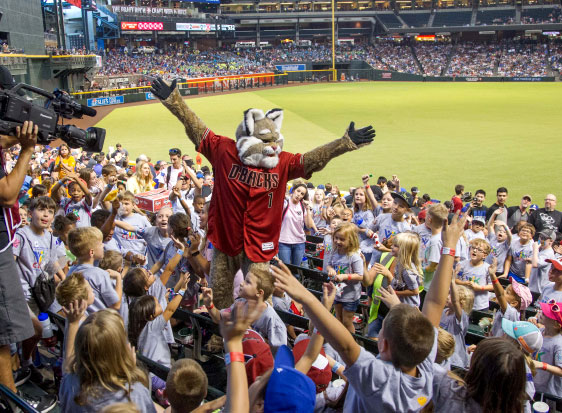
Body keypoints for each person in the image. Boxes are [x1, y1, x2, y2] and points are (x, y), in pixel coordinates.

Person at [271, 210, 469, 412]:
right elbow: (435, 303)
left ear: (383, 345)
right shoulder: (424, 365)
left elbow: (346, 346)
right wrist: (449, 248)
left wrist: (303, 295)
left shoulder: (379, 379)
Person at [59, 308, 157, 412]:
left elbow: (68, 365)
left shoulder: (70, 383)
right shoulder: (135, 393)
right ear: (122, 350)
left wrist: (73, 323)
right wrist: (130, 372)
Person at [128, 273, 189, 398]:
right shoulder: (152, 327)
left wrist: (166, 298)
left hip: (148, 374)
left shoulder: (136, 324)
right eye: (157, 304)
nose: (160, 303)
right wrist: (182, 290)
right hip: (159, 376)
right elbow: (170, 310)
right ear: (151, 316)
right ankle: (164, 396)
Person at [203, 267, 287, 350]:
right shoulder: (240, 304)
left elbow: (279, 353)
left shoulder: (272, 319)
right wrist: (210, 305)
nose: (241, 284)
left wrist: (252, 334)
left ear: (259, 292)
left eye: (247, 282)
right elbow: (219, 318)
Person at [67, 227, 122, 312]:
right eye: (100, 244)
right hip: (99, 321)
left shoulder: (71, 271)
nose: (103, 245)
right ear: (91, 252)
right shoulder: (98, 274)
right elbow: (116, 305)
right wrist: (118, 277)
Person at [324, 222, 364, 333]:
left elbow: (360, 275)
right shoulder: (335, 251)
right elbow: (329, 264)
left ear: (351, 240)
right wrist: (330, 269)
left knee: (347, 321)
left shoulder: (354, 256)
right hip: (337, 292)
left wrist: (345, 276)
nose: (337, 241)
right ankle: (340, 341)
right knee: (338, 319)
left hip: (350, 295)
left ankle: (351, 342)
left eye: (342, 239)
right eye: (336, 238)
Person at [373, 232, 422, 308]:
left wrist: (395, 293)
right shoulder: (399, 262)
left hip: (408, 308)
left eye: (395, 246)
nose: (391, 246)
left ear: (404, 250)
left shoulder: (407, 270)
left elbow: (414, 291)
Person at [278, 183, 316, 266]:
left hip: (299, 242)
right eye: (298, 191)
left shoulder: (302, 207)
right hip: (284, 242)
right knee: (285, 270)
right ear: (294, 190)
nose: (299, 194)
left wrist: (308, 209)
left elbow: (309, 225)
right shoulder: (284, 203)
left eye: (302, 194)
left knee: (296, 270)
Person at [439, 279, 473, 368]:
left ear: (461, 303)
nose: (447, 296)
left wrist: (452, 281)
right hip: (443, 353)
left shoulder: (462, 317)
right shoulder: (444, 311)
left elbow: (455, 302)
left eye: (451, 295)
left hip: (455, 359)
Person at [455, 238, 493, 311]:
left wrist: (480, 288)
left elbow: (492, 286)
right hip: (463, 303)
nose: (474, 250)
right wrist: (464, 283)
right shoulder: (462, 264)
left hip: (480, 305)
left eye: (479, 250)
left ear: (484, 255)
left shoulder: (488, 268)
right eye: (473, 248)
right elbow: (455, 280)